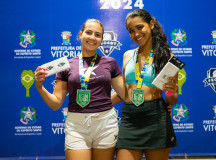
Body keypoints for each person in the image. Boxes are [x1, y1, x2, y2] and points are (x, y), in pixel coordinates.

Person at [34, 19, 125, 160]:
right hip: (76, 125)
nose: (92, 37)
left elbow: (124, 95)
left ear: (101, 39)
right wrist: (40, 87)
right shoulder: (65, 65)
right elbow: (55, 103)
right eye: (88, 33)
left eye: (97, 35)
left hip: (106, 123)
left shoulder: (110, 63)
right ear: (81, 34)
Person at [111, 9, 178, 160]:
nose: (136, 34)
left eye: (140, 27)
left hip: (156, 117)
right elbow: (124, 93)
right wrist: (96, 104)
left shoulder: (167, 57)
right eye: (131, 31)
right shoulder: (127, 55)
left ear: (151, 25)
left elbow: (172, 99)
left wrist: (170, 91)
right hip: (130, 118)